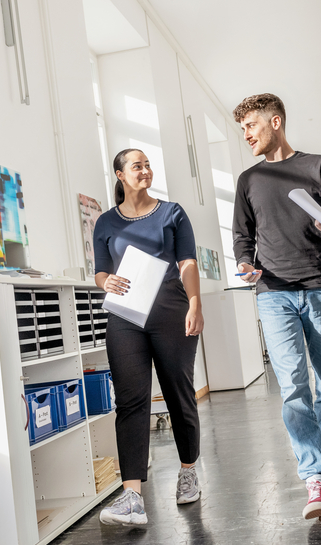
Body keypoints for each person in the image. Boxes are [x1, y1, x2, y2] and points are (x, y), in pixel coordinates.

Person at [231, 93, 321, 520]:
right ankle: (314, 478)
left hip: (320, 286)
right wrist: (246, 264)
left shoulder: (318, 165)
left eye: (251, 125)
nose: (246, 134)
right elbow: (242, 237)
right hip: (273, 292)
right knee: (293, 387)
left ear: (276, 121)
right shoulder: (248, 180)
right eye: (243, 129)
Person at [93, 148, 204, 525]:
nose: (146, 170)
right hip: (125, 315)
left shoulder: (172, 213)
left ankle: (188, 471)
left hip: (172, 311)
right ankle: (132, 497)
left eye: (148, 164)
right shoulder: (106, 223)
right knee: (130, 402)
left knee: (178, 393)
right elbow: (100, 272)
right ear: (120, 175)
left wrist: (195, 303)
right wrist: (105, 280)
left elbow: (187, 261)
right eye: (137, 165)